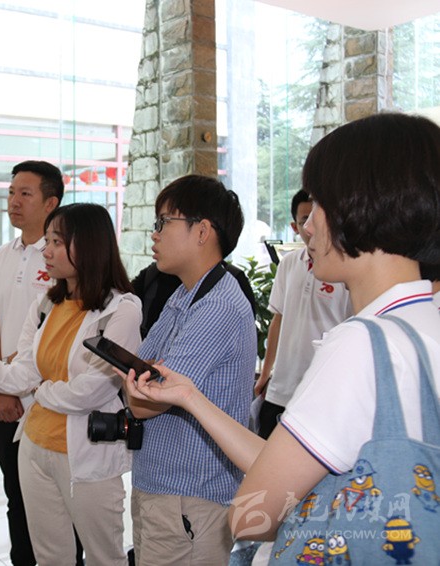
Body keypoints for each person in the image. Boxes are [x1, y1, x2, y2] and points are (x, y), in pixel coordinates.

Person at [124, 112, 440, 545]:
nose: (307, 226)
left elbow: (251, 516)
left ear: (366, 206)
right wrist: (190, 397)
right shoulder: (424, 321)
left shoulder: (361, 344)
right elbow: (283, 463)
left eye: (321, 204)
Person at [0, 203, 141, 566]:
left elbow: (93, 389)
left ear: (90, 245)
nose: (46, 251)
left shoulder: (121, 309)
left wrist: (39, 390)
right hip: (34, 447)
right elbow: (22, 372)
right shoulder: (46, 305)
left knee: (104, 557)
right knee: (51, 557)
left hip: (88, 454)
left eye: (57, 242)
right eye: (47, 241)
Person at [129, 175, 257, 565]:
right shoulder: (185, 294)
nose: (154, 235)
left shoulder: (217, 306)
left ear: (202, 231)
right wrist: (140, 383)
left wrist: (140, 384)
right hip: (164, 486)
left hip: (189, 495)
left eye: (163, 222)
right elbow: (141, 376)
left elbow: (145, 401)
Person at [0, 161, 62, 566]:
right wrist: (1, 388)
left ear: (50, 203)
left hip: (51, 401)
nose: (13, 201)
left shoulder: (63, 257)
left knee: (57, 504)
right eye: (11, 192)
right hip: (5, 400)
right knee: (16, 496)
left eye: (24, 194)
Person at [254, 189, 350, 439]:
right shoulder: (288, 264)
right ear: (295, 226)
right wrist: (265, 374)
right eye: (305, 219)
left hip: (320, 391)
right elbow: (278, 320)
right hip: (280, 389)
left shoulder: (344, 270)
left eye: (316, 217)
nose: (310, 227)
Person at [131, 260, 256, 339]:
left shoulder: (227, 293)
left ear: (201, 233)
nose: (155, 235)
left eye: (164, 226)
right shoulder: (153, 275)